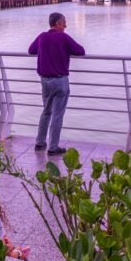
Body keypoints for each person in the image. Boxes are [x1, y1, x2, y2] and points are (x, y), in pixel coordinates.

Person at [28, 12, 86, 156]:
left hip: (45, 80)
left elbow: (31, 50)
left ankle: (40, 142)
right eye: (64, 22)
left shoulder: (42, 36)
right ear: (58, 24)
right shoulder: (63, 37)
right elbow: (81, 51)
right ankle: (53, 147)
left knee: (46, 111)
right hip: (60, 81)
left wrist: (46, 50)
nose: (66, 25)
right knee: (57, 115)